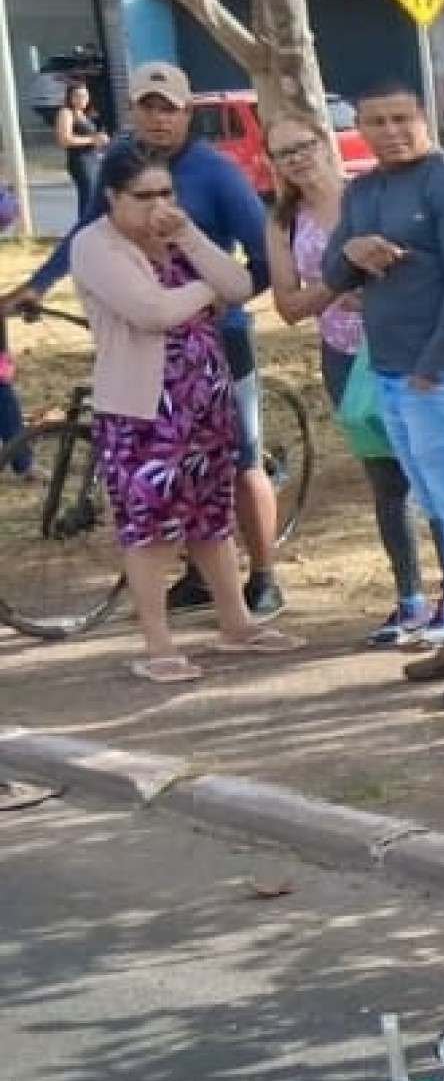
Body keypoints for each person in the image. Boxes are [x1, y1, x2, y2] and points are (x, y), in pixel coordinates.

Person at [11, 60, 281, 618]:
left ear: (188, 112)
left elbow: (264, 255)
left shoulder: (217, 174)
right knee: (166, 470)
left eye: (169, 109)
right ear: (132, 110)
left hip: (216, 342)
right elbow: (86, 232)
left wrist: (225, 299)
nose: (158, 119)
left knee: (240, 458)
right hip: (140, 341)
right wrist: (39, 283)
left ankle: (263, 575)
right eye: (147, 107)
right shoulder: (120, 165)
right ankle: (197, 579)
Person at [70, 142, 297, 685]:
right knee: (150, 527)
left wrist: (190, 237)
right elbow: (152, 311)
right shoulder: (95, 244)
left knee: (210, 517)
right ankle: (158, 643)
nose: (158, 206)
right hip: (143, 409)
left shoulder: (176, 236)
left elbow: (239, 286)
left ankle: (236, 622)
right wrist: (203, 291)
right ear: (112, 197)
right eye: (143, 196)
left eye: (166, 193)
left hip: (204, 401)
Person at [322, 81, 444, 707]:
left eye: (401, 118)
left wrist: (434, 368)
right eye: (375, 121)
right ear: (359, 128)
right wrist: (352, 253)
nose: (390, 131)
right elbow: (331, 272)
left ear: (423, 118)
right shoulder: (364, 191)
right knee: (440, 510)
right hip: (390, 373)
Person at [269, 118, 444, 651]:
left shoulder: (373, 195)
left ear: (325, 144)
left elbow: (428, 262)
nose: (297, 160)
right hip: (345, 358)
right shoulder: (282, 222)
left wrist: (381, 292)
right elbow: (288, 305)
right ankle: (409, 598)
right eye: (283, 154)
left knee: (434, 473)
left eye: (303, 146)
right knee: (387, 481)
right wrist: (337, 285)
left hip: (406, 347)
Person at [52, 77, 102, 227]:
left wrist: (100, 140)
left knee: (95, 196)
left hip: (93, 158)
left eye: (85, 96)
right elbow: (64, 139)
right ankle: (83, 229)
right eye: (78, 96)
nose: (83, 99)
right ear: (70, 97)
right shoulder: (66, 113)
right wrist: (92, 139)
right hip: (80, 161)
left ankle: (93, 227)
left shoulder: (85, 114)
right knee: (88, 196)